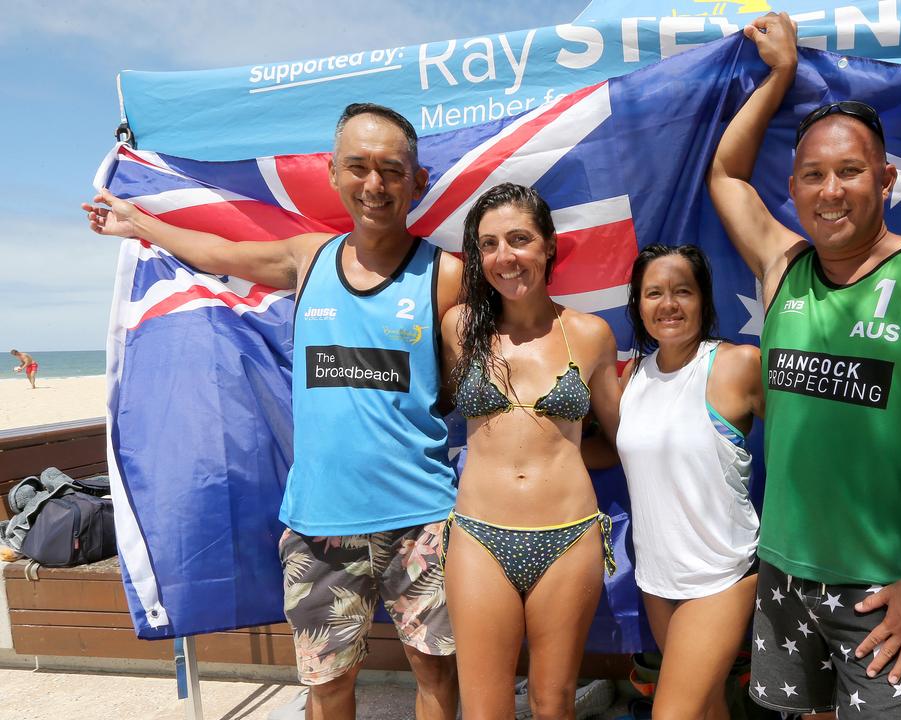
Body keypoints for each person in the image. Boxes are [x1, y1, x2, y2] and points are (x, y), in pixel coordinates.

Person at [83, 103, 462, 720]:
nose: (375, 185)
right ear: (334, 174)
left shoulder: (445, 275)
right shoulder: (308, 259)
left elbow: (495, 363)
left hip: (425, 522)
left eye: (392, 170)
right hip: (321, 524)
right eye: (359, 167)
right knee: (328, 686)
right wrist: (138, 223)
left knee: (438, 677)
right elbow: (215, 251)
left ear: (417, 182)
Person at [706, 14, 901, 719]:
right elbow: (725, 173)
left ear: (885, 179)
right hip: (784, 571)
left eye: (849, 172)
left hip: (886, 588)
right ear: (794, 187)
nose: (831, 190)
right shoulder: (783, 266)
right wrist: (778, 76)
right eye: (812, 175)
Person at [439, 182, 623, 720]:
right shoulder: (460, 328)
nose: (505, 257)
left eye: (519, 239)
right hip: (479, 534)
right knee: (484, 708)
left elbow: (621, 440)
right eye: (489, 244)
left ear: (548, 245)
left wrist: (556, 456)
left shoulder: (589, 334)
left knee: (553, 701)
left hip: (569, 537)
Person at [615, 244, 765, 720]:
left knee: (672, 713)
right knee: (708, 707)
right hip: (658, 579)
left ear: (704, 299)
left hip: (723, 572)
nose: (669, 304)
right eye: (654, 293)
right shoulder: (631, 375)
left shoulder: (736, 364)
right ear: (638, 304)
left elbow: (799, 449)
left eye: (683, 291)